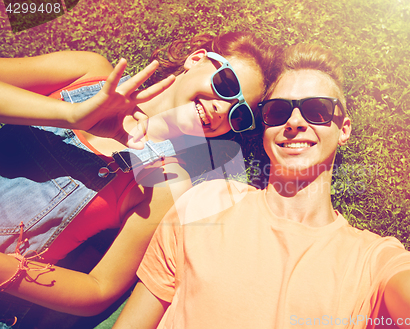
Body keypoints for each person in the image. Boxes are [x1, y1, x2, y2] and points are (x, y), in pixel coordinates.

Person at [114, 43, 410, 329]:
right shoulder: (205, 202)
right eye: (279, 111)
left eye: (316, 111)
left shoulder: (371, 260)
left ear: (343, 128)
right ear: (265, 130)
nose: (295, 121)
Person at [0, 31, 274, 327]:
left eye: (239, 113)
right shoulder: (88, 73)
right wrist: (70, 115)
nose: (223, 108)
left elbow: (99, 289)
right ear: (196, 59)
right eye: (226, 84)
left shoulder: (167, 181)